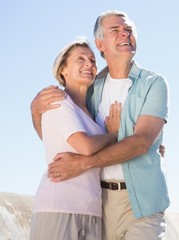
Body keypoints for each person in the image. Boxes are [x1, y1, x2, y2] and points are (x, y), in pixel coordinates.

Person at [31, 10, 170, 240]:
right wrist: (35, 111)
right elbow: (60, 136)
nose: (124, 34)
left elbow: (141, 143)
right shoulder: (89, 88)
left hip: (142, 203)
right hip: (99, 206)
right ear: (100, 43)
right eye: (115, 30)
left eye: (128, 30)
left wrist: (84, 164)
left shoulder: (153, 84)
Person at [30, 38, 122, 239]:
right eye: (80, 59)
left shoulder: (91, 113)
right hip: (59, 208)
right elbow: (86, 147)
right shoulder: (58, 100)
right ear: (63, 69)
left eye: (92, 60)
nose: (89, 63)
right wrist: (113, 134)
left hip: (91, 210)